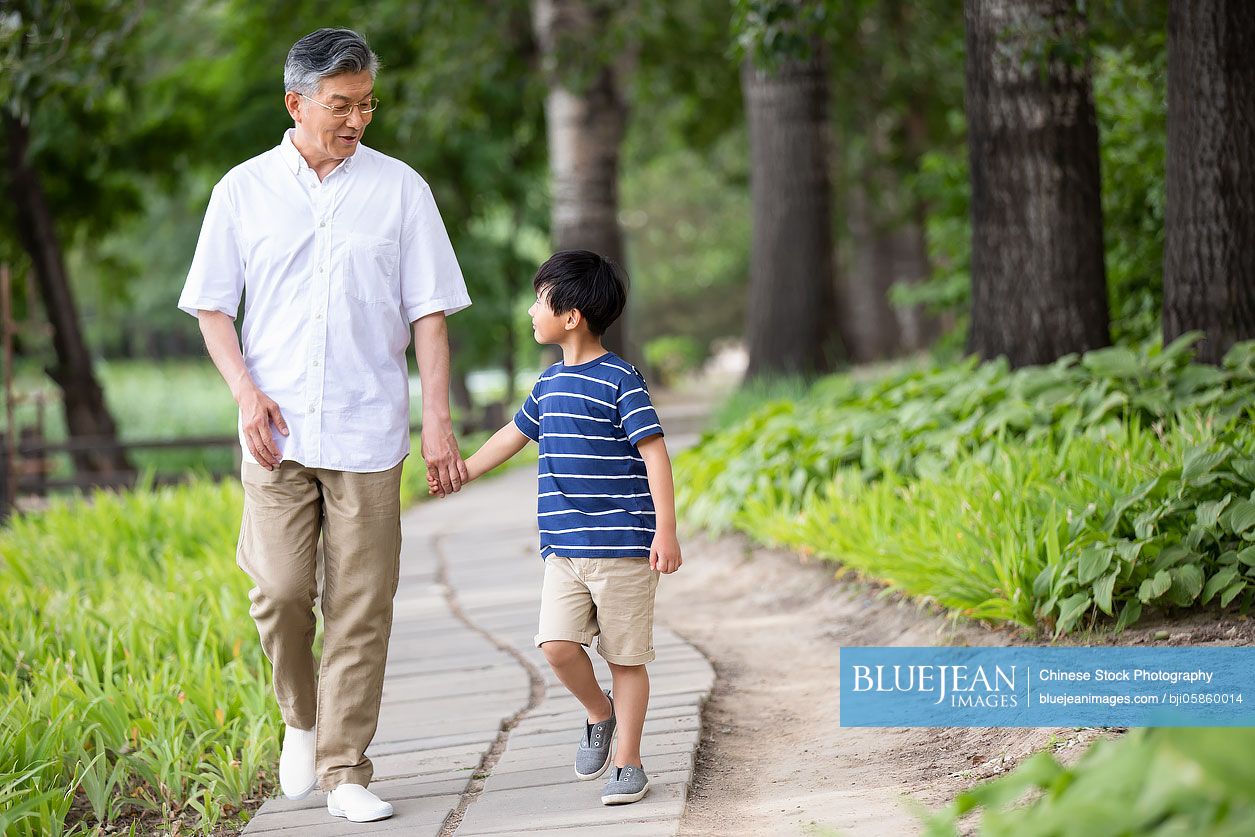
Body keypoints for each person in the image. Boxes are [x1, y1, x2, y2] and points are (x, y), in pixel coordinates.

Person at [178, 27, 471, 824]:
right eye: (341, 104)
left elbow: (430, 314)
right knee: (276, 591)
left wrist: (437, 421)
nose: (357, 119)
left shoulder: (401, 189)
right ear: (295, 102)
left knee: (360, 603)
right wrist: (245, 393)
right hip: (275, 433)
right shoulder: (241, 191)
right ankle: (300, 720)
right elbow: (211, 306)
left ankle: (345, 767)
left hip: (369, 429)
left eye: (367, 103)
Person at [430, 249, 682, 806]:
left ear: (571, 316)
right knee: (555, 646)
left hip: (623, 547)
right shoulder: (548, 384)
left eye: (540, 300)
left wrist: (665, 530)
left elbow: (656, 455)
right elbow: (511, 436)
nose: (530, 310)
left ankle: (629, 764)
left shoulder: (621, 380)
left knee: (625, 658)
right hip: (563, 548)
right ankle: (599, 713)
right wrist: (463, 472)